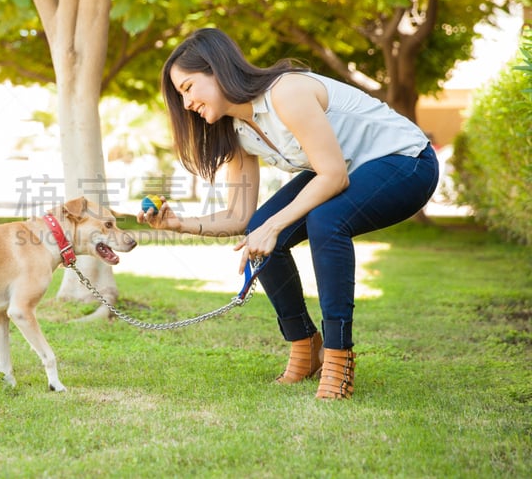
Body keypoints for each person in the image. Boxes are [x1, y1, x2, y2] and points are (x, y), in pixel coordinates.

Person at [137, 28, 439, 399]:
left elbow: (333, 175)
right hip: (348, 169)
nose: (185, 105)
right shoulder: (237, 130)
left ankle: (338, 357)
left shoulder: (286, 93)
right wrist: (178, 223)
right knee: (259, 226)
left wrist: (274, 226)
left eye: (187, 88)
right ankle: (304, 347)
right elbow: (239, 216)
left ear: (216, 69)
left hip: (407, 161)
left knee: (326, 221)